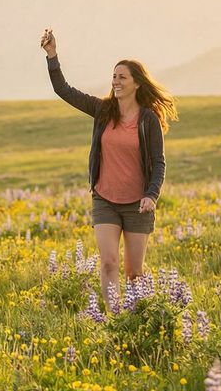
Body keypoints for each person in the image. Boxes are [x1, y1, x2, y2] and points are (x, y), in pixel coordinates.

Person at [40, 29, 178, 311]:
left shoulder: (148, 119)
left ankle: (135, 318)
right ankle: (115, 316)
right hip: (105, 198)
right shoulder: (103, 110)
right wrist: (52, 56)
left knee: (134, 273)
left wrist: (152, 195)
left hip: (138, 204)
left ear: (137, 83)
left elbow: (159, 161)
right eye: (114, 76)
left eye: (122, 77)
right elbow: (63, 90)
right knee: (108, 262)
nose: (115, 81)